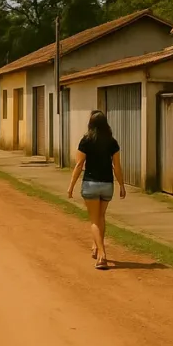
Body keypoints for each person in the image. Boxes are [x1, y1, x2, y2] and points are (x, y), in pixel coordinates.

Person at [66, 110, 126, 270]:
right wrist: (122, 185)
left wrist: (71, 186)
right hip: (107, 184)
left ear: (90, 124)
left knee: (94, 221)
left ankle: (102, 255)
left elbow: (79, 165)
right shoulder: (112, 142)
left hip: (91, 183)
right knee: (101, 217)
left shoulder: (86, 140)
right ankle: (95, 246)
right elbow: (117, 167)